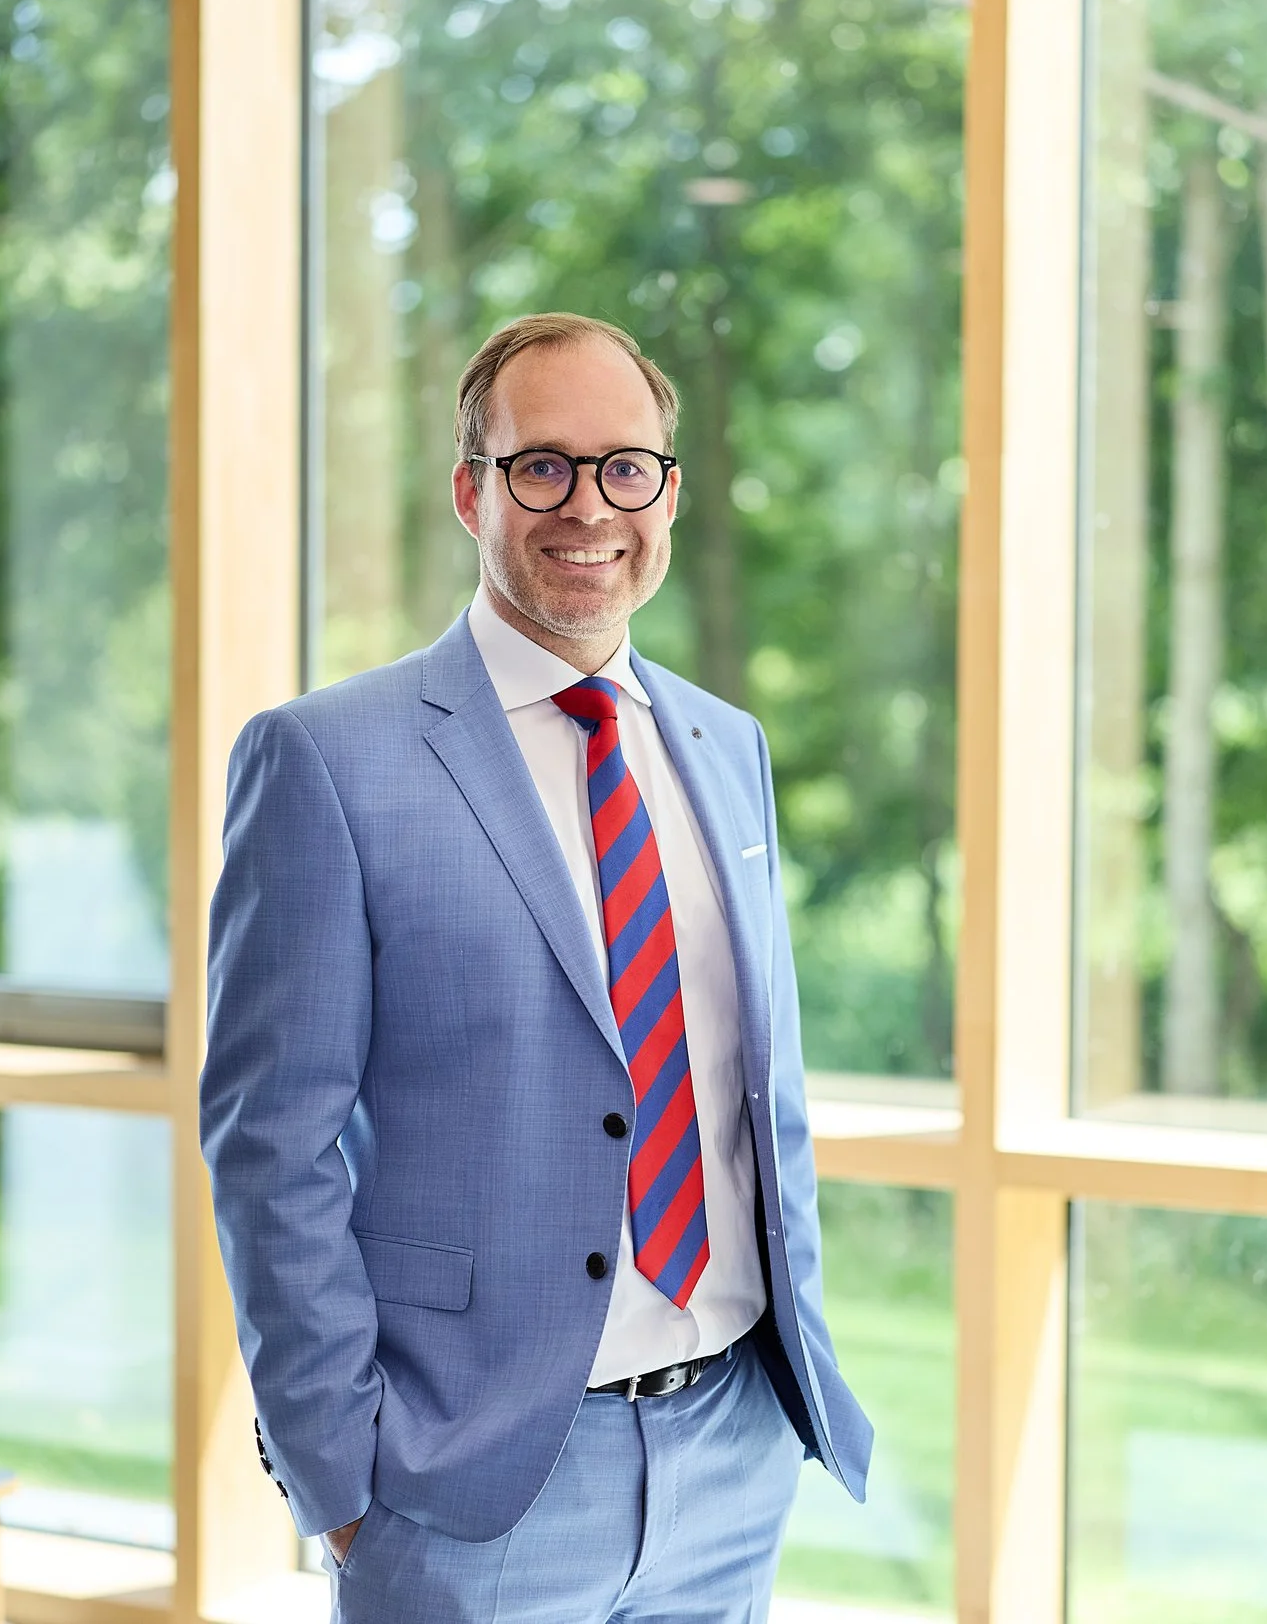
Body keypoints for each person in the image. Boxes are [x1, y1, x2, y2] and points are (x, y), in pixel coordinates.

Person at [199, 312, 871, 1621]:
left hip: (730, 1453)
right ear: (471, 489)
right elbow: (269, 1144)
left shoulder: (725, 748)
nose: (589, 505)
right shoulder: (328, 762)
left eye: (627, 466)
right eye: (540, 465)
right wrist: (338, 1478)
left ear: (667, 496)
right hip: (471, 1493)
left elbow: (754, 1096)